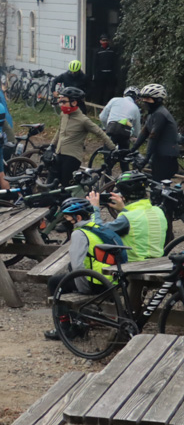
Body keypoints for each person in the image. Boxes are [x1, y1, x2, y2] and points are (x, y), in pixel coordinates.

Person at [43, 195, 128, 341]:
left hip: (96, 284)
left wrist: (83, 290)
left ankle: (65, 329)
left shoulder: (79, 234)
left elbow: (78, 267)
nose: (66, 221)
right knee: (69, 273)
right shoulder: (98, 227)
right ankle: (79, 323)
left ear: (78, 218)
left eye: (68, 218)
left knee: (54, 282)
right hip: (112, 280)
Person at [89, 172, 167, 262]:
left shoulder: (127, 218)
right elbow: (140, 223)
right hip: (158, 262)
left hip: (133, 266)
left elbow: (98, 230)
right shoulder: (158, 211)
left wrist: (95, 208)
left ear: (123, 195)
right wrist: (123, 209)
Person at [49, 86, 114, 187]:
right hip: (59, 153)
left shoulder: (83, 120)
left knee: (66, 187)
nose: (61, 104)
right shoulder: (64, 114)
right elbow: (59, 130)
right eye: (60, 101)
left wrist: (113, 148)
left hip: (72, 157)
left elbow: (100, 133)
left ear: (74, 103)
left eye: (64, 102)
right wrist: (51, 145)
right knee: (51, 184)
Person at [133, 84, 180, 182]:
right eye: (144, 99)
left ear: (158, 100)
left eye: (148, 99)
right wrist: (131, 150)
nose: (145, 101)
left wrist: (145, 159)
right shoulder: (152, 113)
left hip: (166, 158)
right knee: (155, 185)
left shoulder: (160, 114)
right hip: (158, 156)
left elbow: (153, 137)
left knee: (157, 189)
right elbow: (144, 132)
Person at [98, 87, 141, 152]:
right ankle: (123, 160)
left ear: (124, 94)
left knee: (107, 151)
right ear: (136, 99)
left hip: (112, 127)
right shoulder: (136, 108)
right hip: (125, 130)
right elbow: (137, 126)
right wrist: (134, 135)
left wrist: (107, 127)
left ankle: (107, 159)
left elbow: (102, 117)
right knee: (124, 153)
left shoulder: (114, 100)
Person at [92, 34, 119, 104]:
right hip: (101, 74)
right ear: (100, 41)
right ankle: (99, 106)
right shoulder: (97, 51)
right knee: (100, 91)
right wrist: (95, 75)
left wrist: (115, 74)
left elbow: (115, 62)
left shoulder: (112, 51)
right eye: (103, 40)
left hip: (110, 74)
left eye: (106, 40)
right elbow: (95, 64)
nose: (105, 42)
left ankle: (109, 104)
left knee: (110, 91)